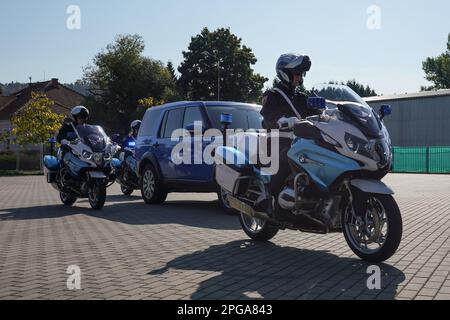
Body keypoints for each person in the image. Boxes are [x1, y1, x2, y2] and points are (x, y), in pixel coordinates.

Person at [260, 53, 322, 220]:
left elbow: (315, 113)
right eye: (297, 73)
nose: (300, 77)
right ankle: (272, 203)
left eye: (301, 74)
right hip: (277, 141)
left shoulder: (301, 97)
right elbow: (268, 114)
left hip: (299, 141)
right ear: (285, 73)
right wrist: (282, 120)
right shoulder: (273, 94)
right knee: (287, 158)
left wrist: (329, 115)